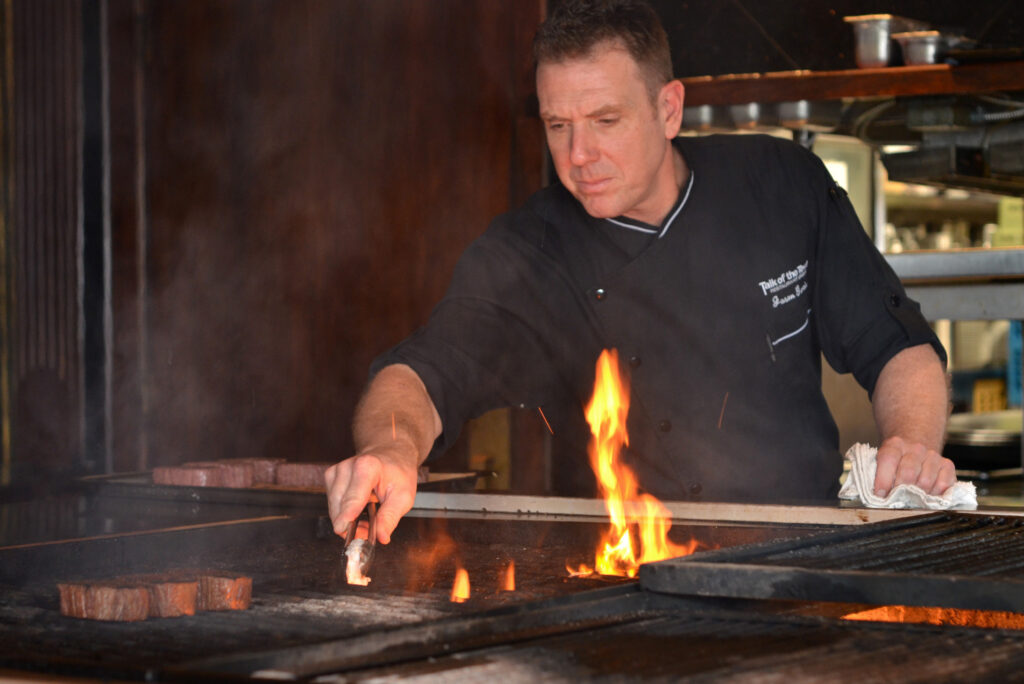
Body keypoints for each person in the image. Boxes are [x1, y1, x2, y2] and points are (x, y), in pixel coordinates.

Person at [326, 0, 953, 545]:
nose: (579, 156)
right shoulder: (529, 250)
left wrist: (914, 444)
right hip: (625, 574)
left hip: (801, 557)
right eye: (558, 126)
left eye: (605, 121)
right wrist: (392, 447)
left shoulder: (783, 185)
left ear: (669, 109)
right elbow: (423, 373)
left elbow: (898, 345)